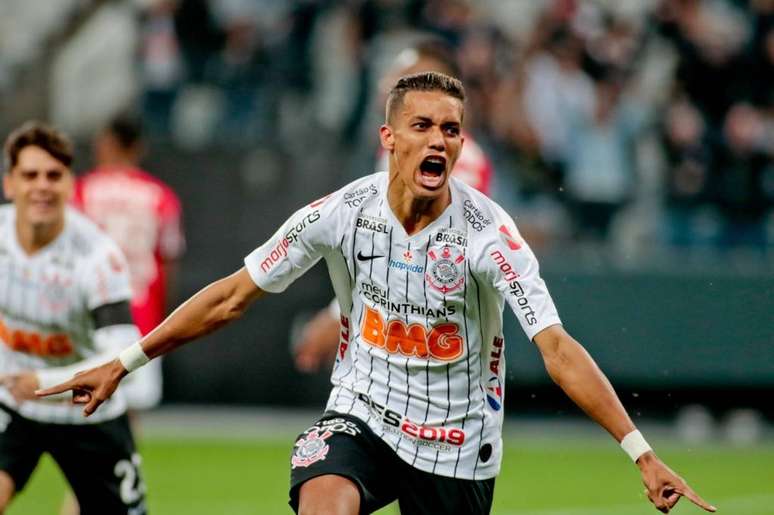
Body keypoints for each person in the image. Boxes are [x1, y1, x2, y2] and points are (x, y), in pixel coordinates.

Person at [38, 73, 715, 515]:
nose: (439, 141)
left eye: (451, 129)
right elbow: (232, 296)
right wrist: (123, 362)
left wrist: (640, 450)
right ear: (389, 139)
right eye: (423, 125)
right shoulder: (341, 212)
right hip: (362, 413)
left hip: (457, 442)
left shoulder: (488, 235)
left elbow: (557, 347)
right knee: (323, 495)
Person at [294, 38, 494, 373]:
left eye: (403, 76)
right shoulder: (397, 150)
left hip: (433, 338)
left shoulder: (459, 160)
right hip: (397, 324)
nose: (388, 83)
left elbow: (423, 250)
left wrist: (338, 314)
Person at [0, 121, 147, 514]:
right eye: (30, 175)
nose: (42, 185)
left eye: (54, 175)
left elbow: (119, 354)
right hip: (13, 406)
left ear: (70, 184)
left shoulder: (98, 258)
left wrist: (43, 383)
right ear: (9, 183)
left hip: (87, 412)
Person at [73, 113, 186, 410]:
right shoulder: (162, 197)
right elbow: (169, 260)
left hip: (89, 313)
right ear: (139, 147)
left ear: (108, 143)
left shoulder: (82, 191)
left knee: (83, 405)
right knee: (132, 409)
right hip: (141, 314)